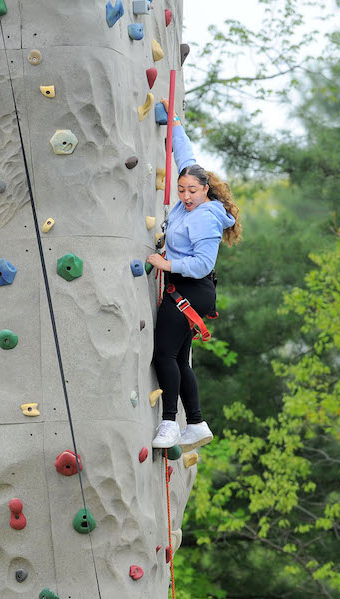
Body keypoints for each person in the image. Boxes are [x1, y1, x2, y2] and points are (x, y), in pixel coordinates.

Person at [147, 99, 242, 451]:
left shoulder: (204, 217)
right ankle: (197, 423)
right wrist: (171, 122)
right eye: (182, 190)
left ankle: (170, 423)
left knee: (163, 355)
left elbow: (202, 263)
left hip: (191, 287)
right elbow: (183, 153)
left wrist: (165, 264)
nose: (185, 196)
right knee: (179, 357)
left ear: (206, 190)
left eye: (192, 191)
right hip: (188, 290)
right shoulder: (192, 188)